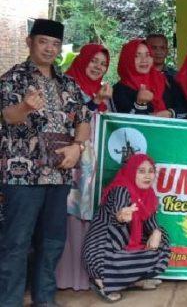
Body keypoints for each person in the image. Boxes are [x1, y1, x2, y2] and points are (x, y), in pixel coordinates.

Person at [0, 19, 91, 307]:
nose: (49, 48)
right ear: (30, 42)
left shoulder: (68, 83)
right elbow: (8, 116)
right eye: (43, 42)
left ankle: (45, 300)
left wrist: (78, 147)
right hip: (23, 174)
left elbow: (83, 120)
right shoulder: (13, 78)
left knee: (52, 241)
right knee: (16, 242)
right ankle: (9, 301)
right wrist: (26, 106)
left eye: (55, 44)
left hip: (59, 174)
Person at [57, 43, 112, 291]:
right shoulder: (66, 85)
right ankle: (65, 278)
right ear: (82, 60)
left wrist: (100, 101)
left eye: (103, 64)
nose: (98, 67)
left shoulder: (103, 92)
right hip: (73, 165)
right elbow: (70, 120)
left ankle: (86, 276)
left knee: (88, 216)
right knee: (70, 216)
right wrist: (94, 102)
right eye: (94, 61)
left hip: (92, 168)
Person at [82, 153, 170, 302]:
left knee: (162, 238)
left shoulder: (148, 195)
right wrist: (121, 217)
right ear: (131, 172)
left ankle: (131, 280)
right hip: (102, 253)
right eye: (141, 171)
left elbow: (151, 223)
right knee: (119, 232)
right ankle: (101, 282)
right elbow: (119, 212)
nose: (147, 176)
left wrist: (156, 232)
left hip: (123, 247)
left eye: (151, 171)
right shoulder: (121, 189)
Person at [112, 39, 186, 118]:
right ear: (128, 59)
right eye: (137, 56)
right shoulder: (119, 90)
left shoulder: (167, 81)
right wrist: (140, 104)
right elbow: (123, 123)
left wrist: (170, 113)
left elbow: (186, 109)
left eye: (148, 55)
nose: (144, 60)